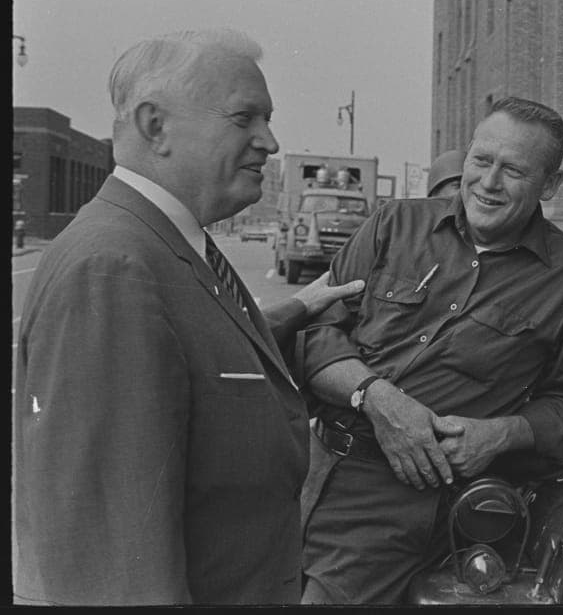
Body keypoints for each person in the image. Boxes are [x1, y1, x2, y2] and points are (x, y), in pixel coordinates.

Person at [13, 29, 365, 605]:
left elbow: (189, 357)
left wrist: (298, 308)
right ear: (156, 126)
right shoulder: (113, 267)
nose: (270, 142)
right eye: (245, 118)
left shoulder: (163, 242)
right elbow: (115, 563)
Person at [298, 96, 563, 604]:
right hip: (308, 464)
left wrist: (500, 434)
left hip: (404, 501)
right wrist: (377, 398)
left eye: (513, 171)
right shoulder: (393, 225)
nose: (488, 183)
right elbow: (315, 330)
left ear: (550, 185)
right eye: (481, 161)